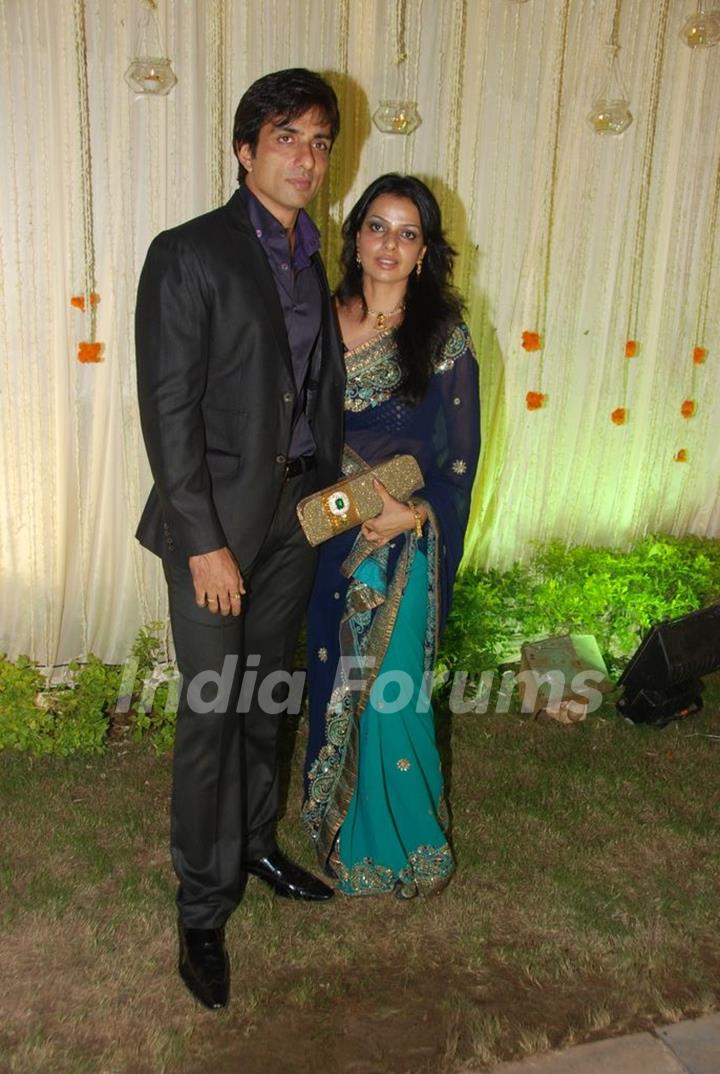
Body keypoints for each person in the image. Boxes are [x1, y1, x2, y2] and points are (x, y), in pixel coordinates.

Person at [135, 68, 345, 1011]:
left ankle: (257, 843)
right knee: (213, 713)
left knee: (269, 696)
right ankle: (203, 908)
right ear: (244, 150)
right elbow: (168, 409)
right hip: (214, 533)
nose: (306, 157)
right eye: (288, 137)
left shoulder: (316, 250)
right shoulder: (188, 253)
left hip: (297, 520)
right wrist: (202, 543)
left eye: (320, 141)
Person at [302, 174, 480, 898]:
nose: (390, 244)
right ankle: (344, 831)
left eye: (408, 233)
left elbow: (460, 459)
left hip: (401, 546)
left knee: (389, 694)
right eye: (378, 226)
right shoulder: (314, 317)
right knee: (331, 682)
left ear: (426, 251)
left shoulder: (442, 338)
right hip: (326, 539)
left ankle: (410, 841)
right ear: (356, 236)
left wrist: (418, 514)